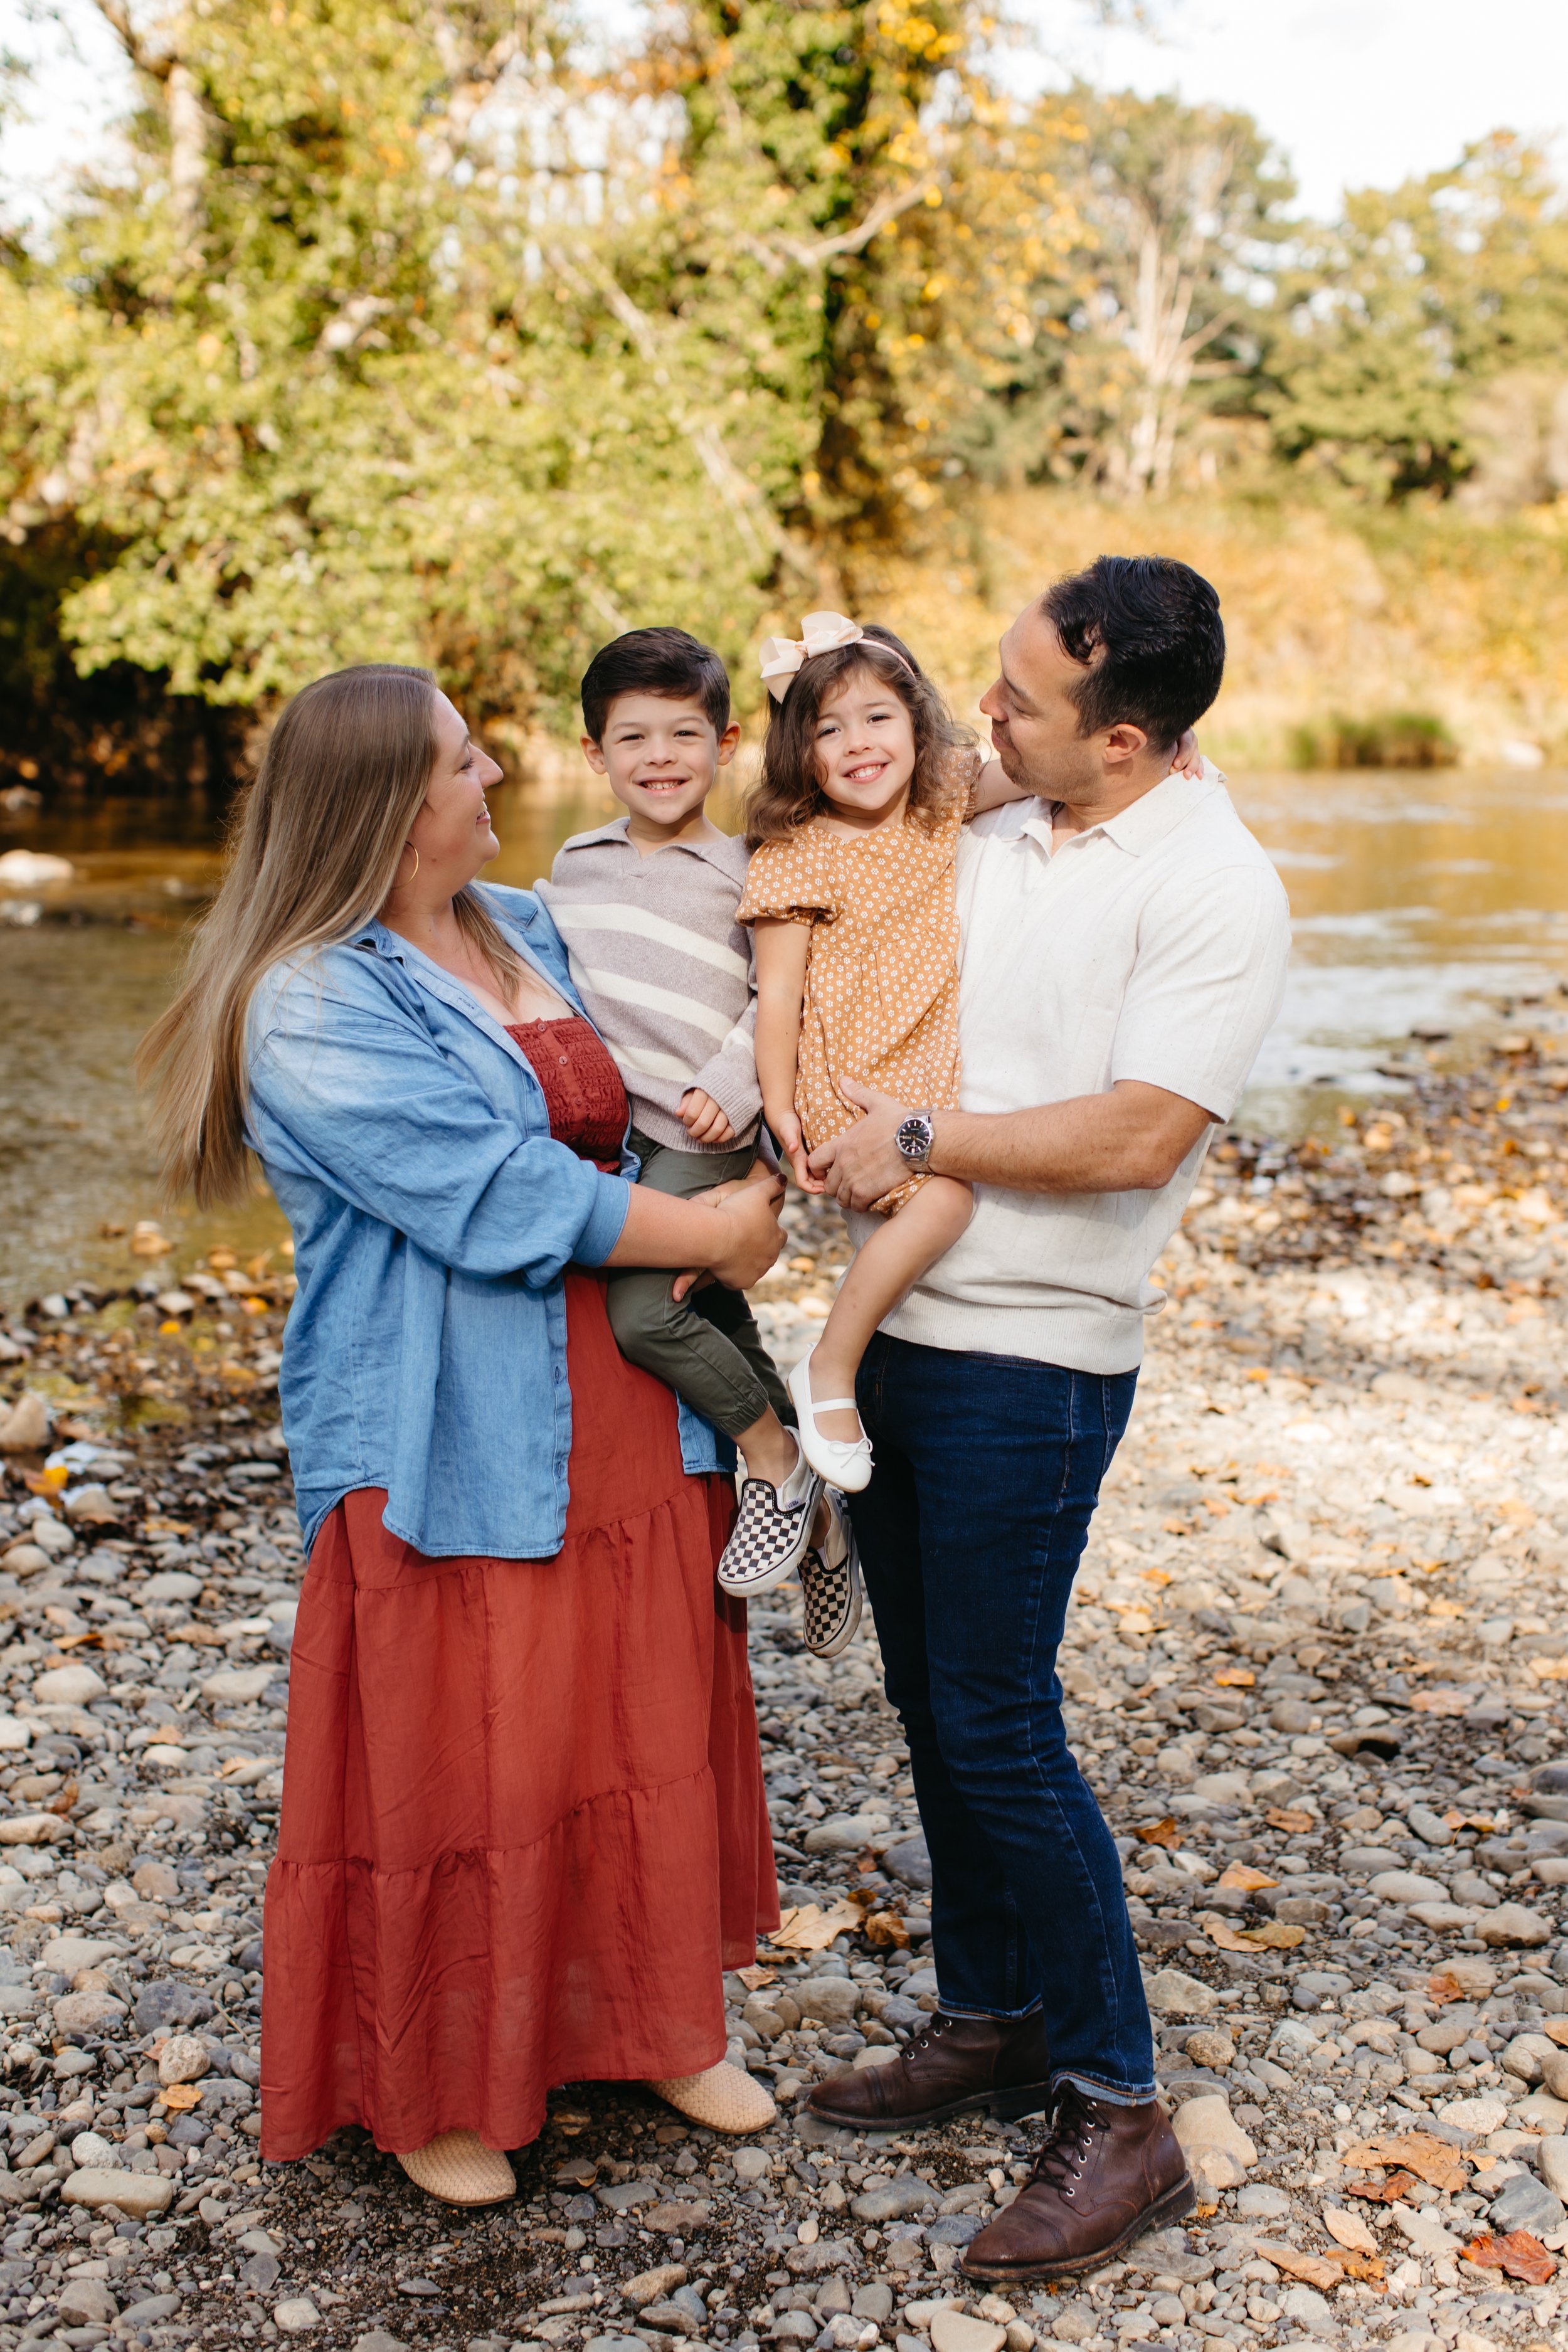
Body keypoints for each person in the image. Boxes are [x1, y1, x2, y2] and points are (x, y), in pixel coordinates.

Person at [137, 663, 788, 2208]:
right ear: (379, 804)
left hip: (621, 1394)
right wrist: (731, 1240)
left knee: (629, 1709)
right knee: (468, 1743)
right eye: (454, 761)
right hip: (445, 1415)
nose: (490, 769)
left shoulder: (529, 923)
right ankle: (436, 2078)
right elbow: (490, 1198)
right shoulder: (308, 995)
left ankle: (650, 2016)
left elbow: (674, 1063)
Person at [799, 558, 1292, 2282]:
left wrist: (920, 1138)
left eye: (1016, 701)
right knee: (934, 1707)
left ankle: (1118, 2104)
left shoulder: (1216, 886)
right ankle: (989, 2012)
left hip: (1036, 1359)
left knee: (1002, 1723)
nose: (980, 717)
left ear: (1132, 736)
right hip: (906, 1327)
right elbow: (847, 835)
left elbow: (1139, 1131)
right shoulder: (1002, 823)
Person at [536, 628, 857, 1660]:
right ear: (594, 755)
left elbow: (780, 993)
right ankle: (824, 1516)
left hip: (705, 1132)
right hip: (620, 1139)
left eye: (684, 733)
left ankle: (773, 1462)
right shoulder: (572, 870)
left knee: (643, 1315)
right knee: (715, 1309)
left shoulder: (749, 869)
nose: (660, 757)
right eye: (633, 737)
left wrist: (734, 1090)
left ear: (725, 744)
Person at [723, 613, 1024, 1600]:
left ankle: (840, 1413)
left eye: (879, 717)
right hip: (850, 1077)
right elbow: (776, 998)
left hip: (918, 1074)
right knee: (947, 1202)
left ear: (917, 720)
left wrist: (1183, 749)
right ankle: (831, 1368)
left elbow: (1043, 769)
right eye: (830, 727)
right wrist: (778, 1116)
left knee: (942, 1198)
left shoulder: (939, 804)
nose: (860, 744)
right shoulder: (797, 850)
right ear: (798, 751)